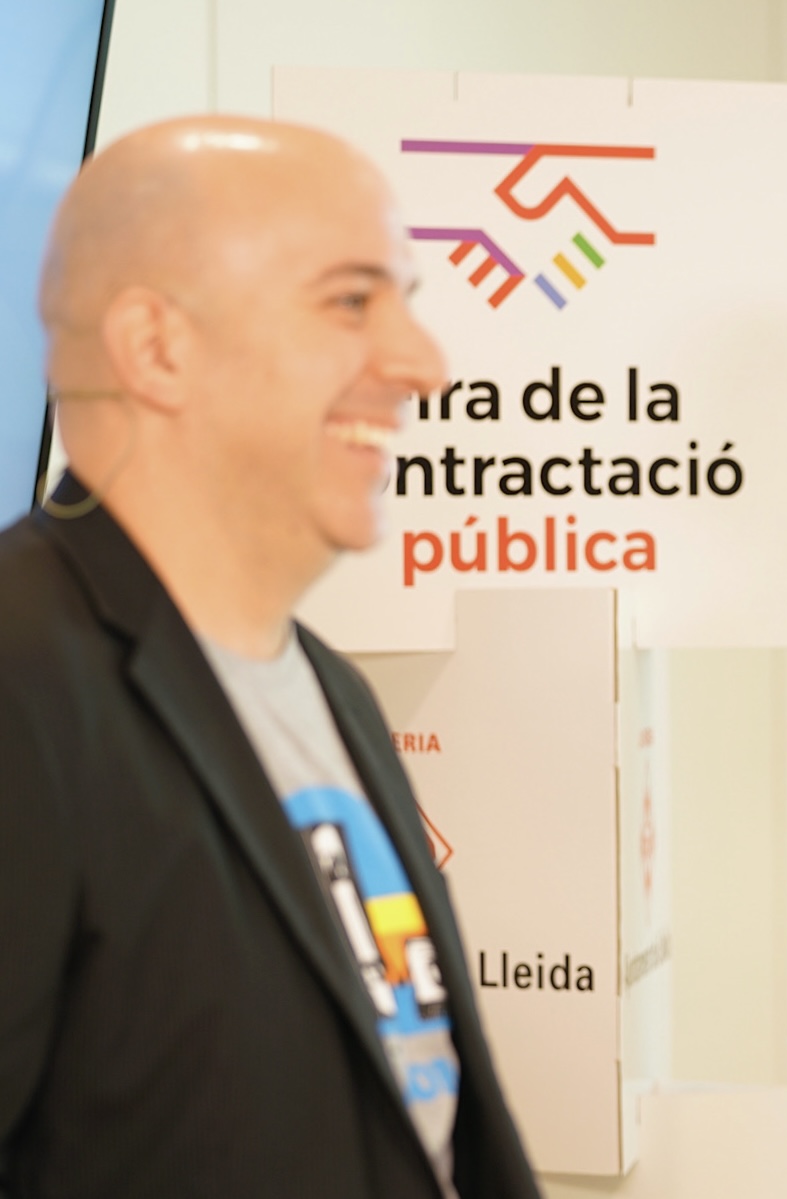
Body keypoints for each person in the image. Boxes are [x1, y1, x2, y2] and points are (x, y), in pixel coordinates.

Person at [0, 117, 540, 1198]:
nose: (424, 365)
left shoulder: (335, 690)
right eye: (350, 302)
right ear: (156, 348)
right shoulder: (22, 677)